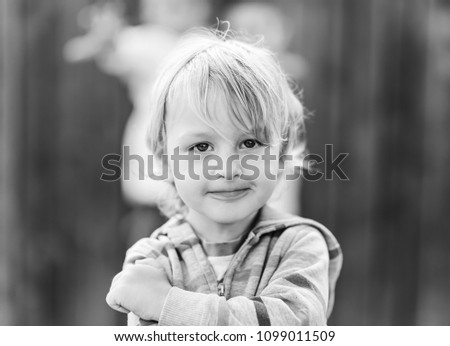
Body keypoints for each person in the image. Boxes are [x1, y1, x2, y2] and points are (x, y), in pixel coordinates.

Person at [106, 28, 343, 326]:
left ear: (282, 154)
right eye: (201, 147)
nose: (227, 168)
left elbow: (291, 326)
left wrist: (169, 305)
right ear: (165, 160)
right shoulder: (152, 258)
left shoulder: (300, 245)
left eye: (250, 143)